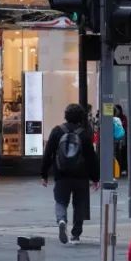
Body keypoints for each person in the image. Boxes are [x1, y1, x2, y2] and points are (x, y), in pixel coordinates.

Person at [41, 104, 99, 245]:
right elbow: (91, 157)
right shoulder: (84, 134)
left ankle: (61, 220)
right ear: (81, 117)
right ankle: (76, 234)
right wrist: (95, 178)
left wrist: (44, 174)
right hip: (81, 175)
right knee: (79, 203)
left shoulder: (57, 131)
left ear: (65, 115)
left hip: (62, 174)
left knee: (61, 201)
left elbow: (48, 153)